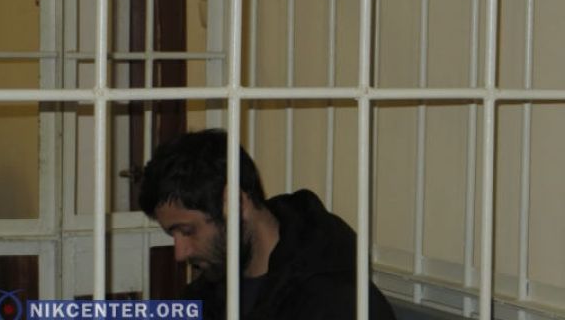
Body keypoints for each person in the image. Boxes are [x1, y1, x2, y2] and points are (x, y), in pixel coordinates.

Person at [139, 129, 396, 320]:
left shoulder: (339, 302)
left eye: (187, 231)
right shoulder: (212, 287)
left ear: (236, 203)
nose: (180, 252)